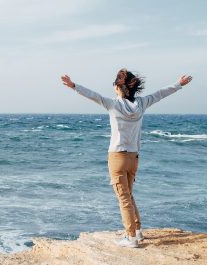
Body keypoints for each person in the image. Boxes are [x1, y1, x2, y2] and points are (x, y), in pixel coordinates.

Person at [61, 69, 192, 248]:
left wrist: (73, 86)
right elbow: (161, 94)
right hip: (133, 158)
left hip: (117, 157)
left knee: (123, 198)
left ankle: (131, 238)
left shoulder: (112, 104)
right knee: (129, 195)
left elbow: (92, 95)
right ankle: (137, 231)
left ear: (117, 87)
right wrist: (178, 84)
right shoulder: (142, 103)